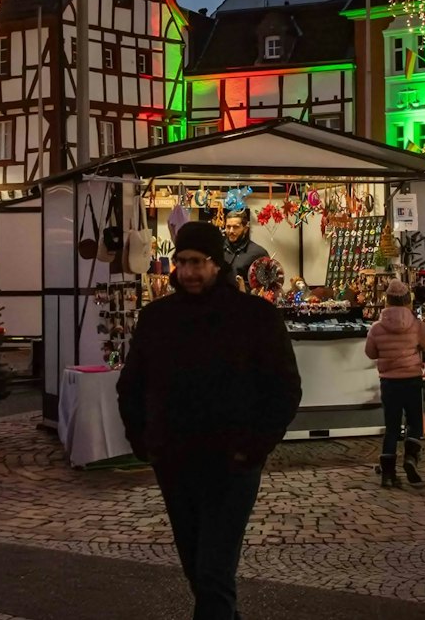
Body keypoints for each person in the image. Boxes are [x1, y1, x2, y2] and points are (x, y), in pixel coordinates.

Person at [118, 220, 302, 620]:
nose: (188, 272)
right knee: (196, 569)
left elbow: (285, 388)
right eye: (181, 262)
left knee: (214, 570)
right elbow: (131, 385)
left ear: (217, 264)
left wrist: (253, 447)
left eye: (197, 262)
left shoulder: (254, 316)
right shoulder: (157, 319)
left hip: (232, 463)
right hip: (175, 460)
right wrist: (145, 442)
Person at [364, 278, 425, 488]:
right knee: (414, 421)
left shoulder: (377, 327)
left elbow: (370, 352)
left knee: (392, 426)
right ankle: (411, 458)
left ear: (387, 301)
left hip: (389, 383)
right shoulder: (416, 324)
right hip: (411, 379)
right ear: (407, 300)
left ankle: (388, 474)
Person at [220, 208, 273, 292]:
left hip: (246, 302)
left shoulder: (258, 253)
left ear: (245, 228)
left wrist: (244, 288)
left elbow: (267, 287)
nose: (231, 231)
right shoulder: (217, 249)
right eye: (228, 227)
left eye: (235, 227)